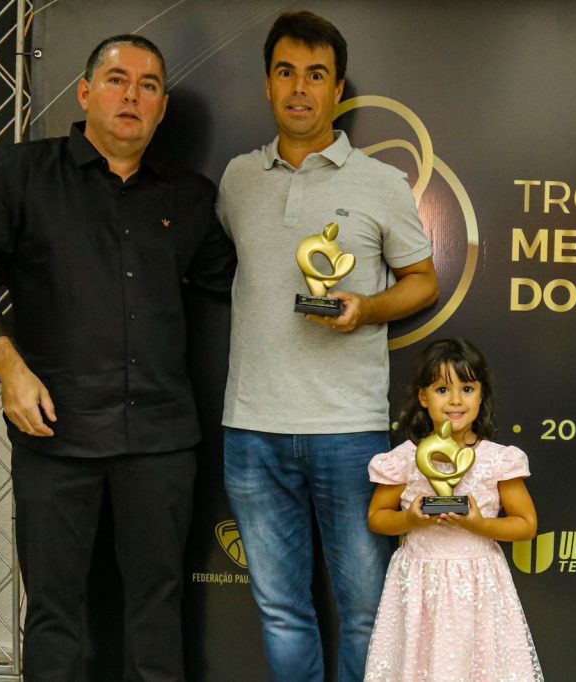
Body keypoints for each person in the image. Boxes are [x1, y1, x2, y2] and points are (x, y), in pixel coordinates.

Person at [0, 34, 236, 682]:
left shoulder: (190, 198)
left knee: (157, 613)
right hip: (55, 431)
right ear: (86, 92)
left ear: (162, 108)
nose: (132, 96)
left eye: (149, 86)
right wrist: (9, 370)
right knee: (55, 614)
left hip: (161, 439)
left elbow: (239, 286)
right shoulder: (18, 175)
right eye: (118, 80)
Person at [217, 10, 439, 681]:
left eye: (316, 75)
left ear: (337, 90)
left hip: (348, 430)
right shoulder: (236, 179)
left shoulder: (380, 183)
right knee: (282, 612)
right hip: (252, 429)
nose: (299, 88)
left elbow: (423, 281)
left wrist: (366, 308)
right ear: (267, 84)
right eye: (286, 72)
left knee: (366, 612)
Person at [365, 338, 543, 681]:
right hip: (419, 583)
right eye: (442, 389)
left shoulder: (498, 460)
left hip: (479, 585)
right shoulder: (405, 458)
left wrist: (479, 525)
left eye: (467, 388)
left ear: (481, 395)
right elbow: (377, 517)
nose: (456, 400)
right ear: (423, 397)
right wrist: (410, 519)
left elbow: (526, 524)